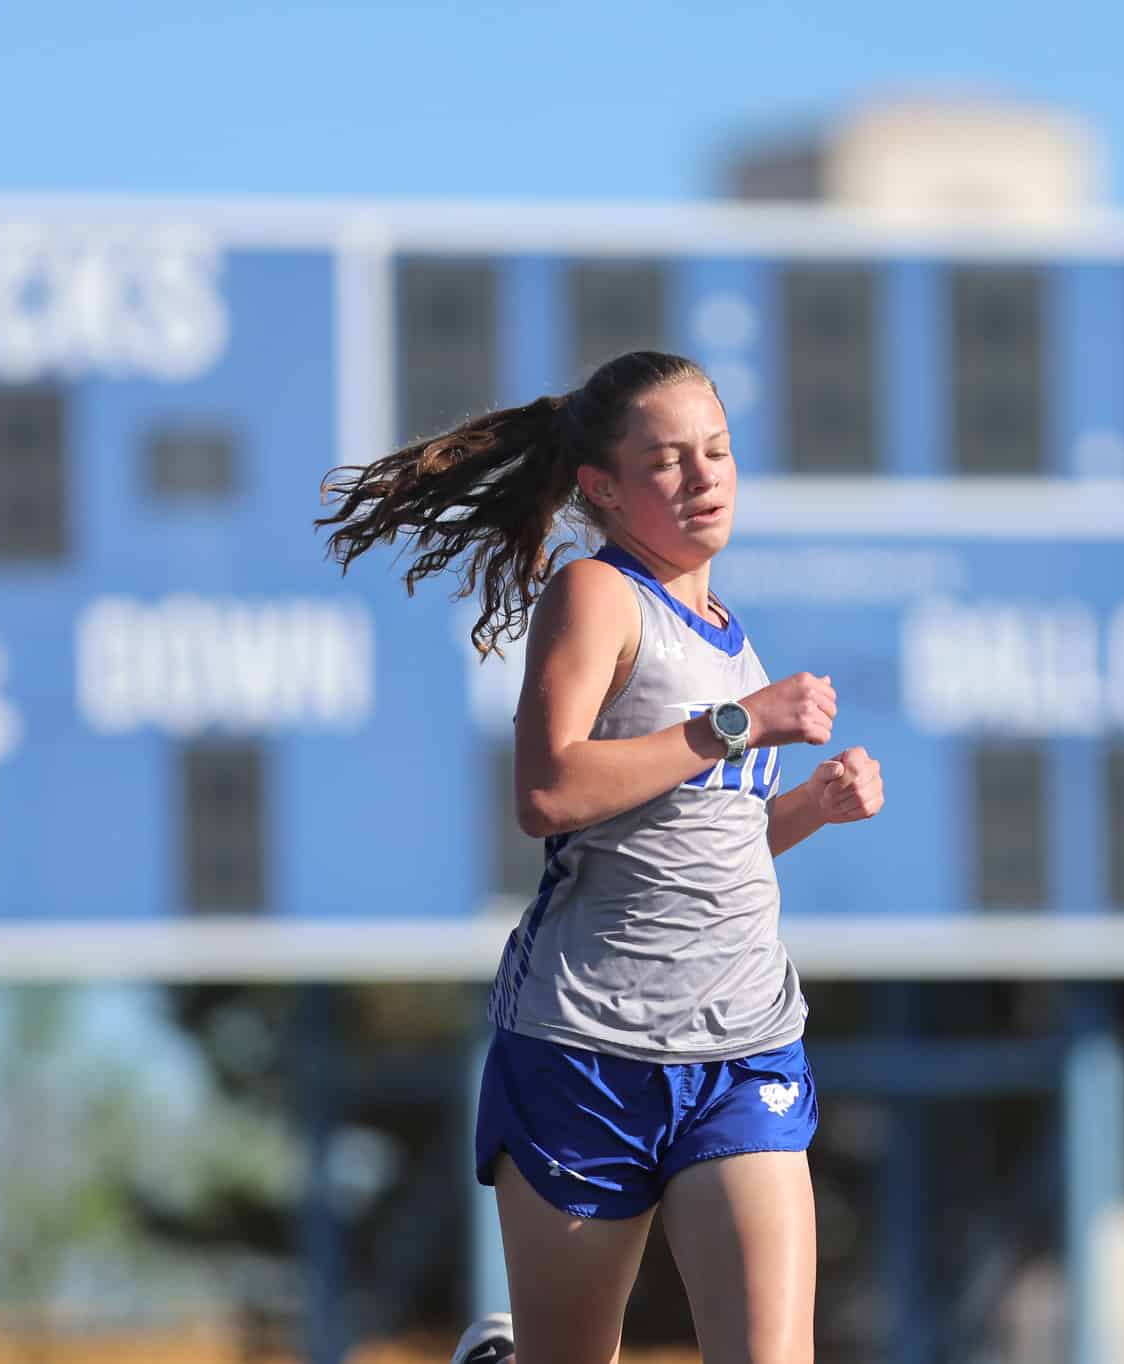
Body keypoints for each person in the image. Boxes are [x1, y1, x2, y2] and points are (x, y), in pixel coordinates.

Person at [318, 351, 885, 1364]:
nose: (704, 476)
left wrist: (810, 804)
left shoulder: (726, 636)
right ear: (602, 488)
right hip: (586, 1048)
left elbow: (700, 842)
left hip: (740, 1047)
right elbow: (547, 790)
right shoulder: (596, 595)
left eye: (716, 451)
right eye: (667, 460)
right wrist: (738, 722)